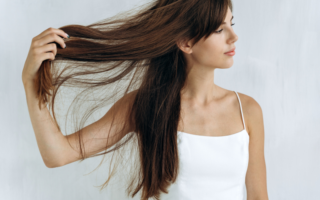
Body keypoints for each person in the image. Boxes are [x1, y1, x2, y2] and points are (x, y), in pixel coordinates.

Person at [22, 0, 269, 199]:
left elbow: (258, 196)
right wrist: (30, 82)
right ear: (186, 42)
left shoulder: (246, 111)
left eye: (231, 23)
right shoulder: (147, 105)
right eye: (219, 29)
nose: (233, 36)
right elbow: (58, 154)